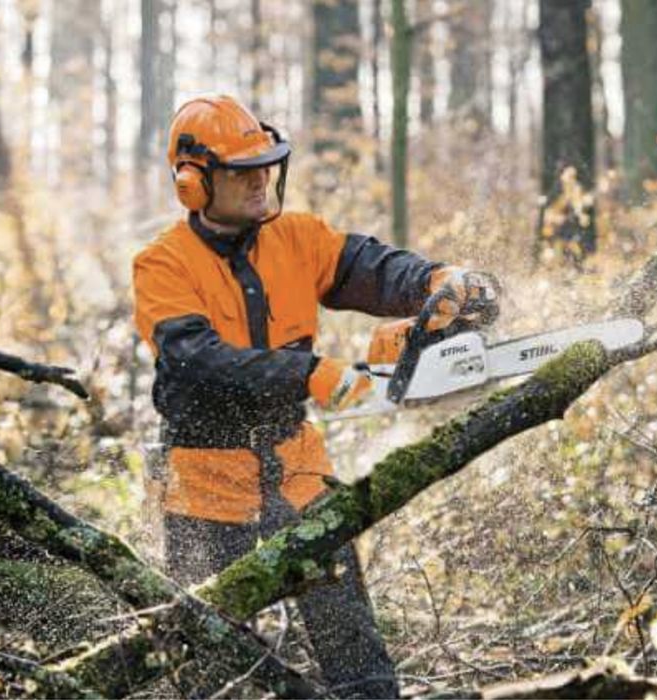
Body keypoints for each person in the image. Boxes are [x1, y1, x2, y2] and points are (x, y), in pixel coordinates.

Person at [132, 94, 499, 698]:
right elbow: (196, 361)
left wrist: (435, 281)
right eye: (242, 172)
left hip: (295, 466)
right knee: (210, 662)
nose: (260, 181)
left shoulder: (297, 238)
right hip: (205, 482)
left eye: (265, 166)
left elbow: (368, 267)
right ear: (193, 182)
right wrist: (307, 373)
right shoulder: (162, 265)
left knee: (351, 638)